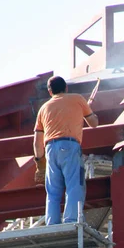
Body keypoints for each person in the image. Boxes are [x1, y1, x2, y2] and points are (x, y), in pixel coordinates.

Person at [33, 75, 99, 225]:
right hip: (69, 146)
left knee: (53, 191)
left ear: (50, 91)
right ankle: (71, 220)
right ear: (66, 88)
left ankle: (52, 224)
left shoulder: (44, 108)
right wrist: (89, 112)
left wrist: (39, 161)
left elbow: (37, 141)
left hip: (50, 149)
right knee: (74, 184)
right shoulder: (77, 99)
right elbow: (94, 123)